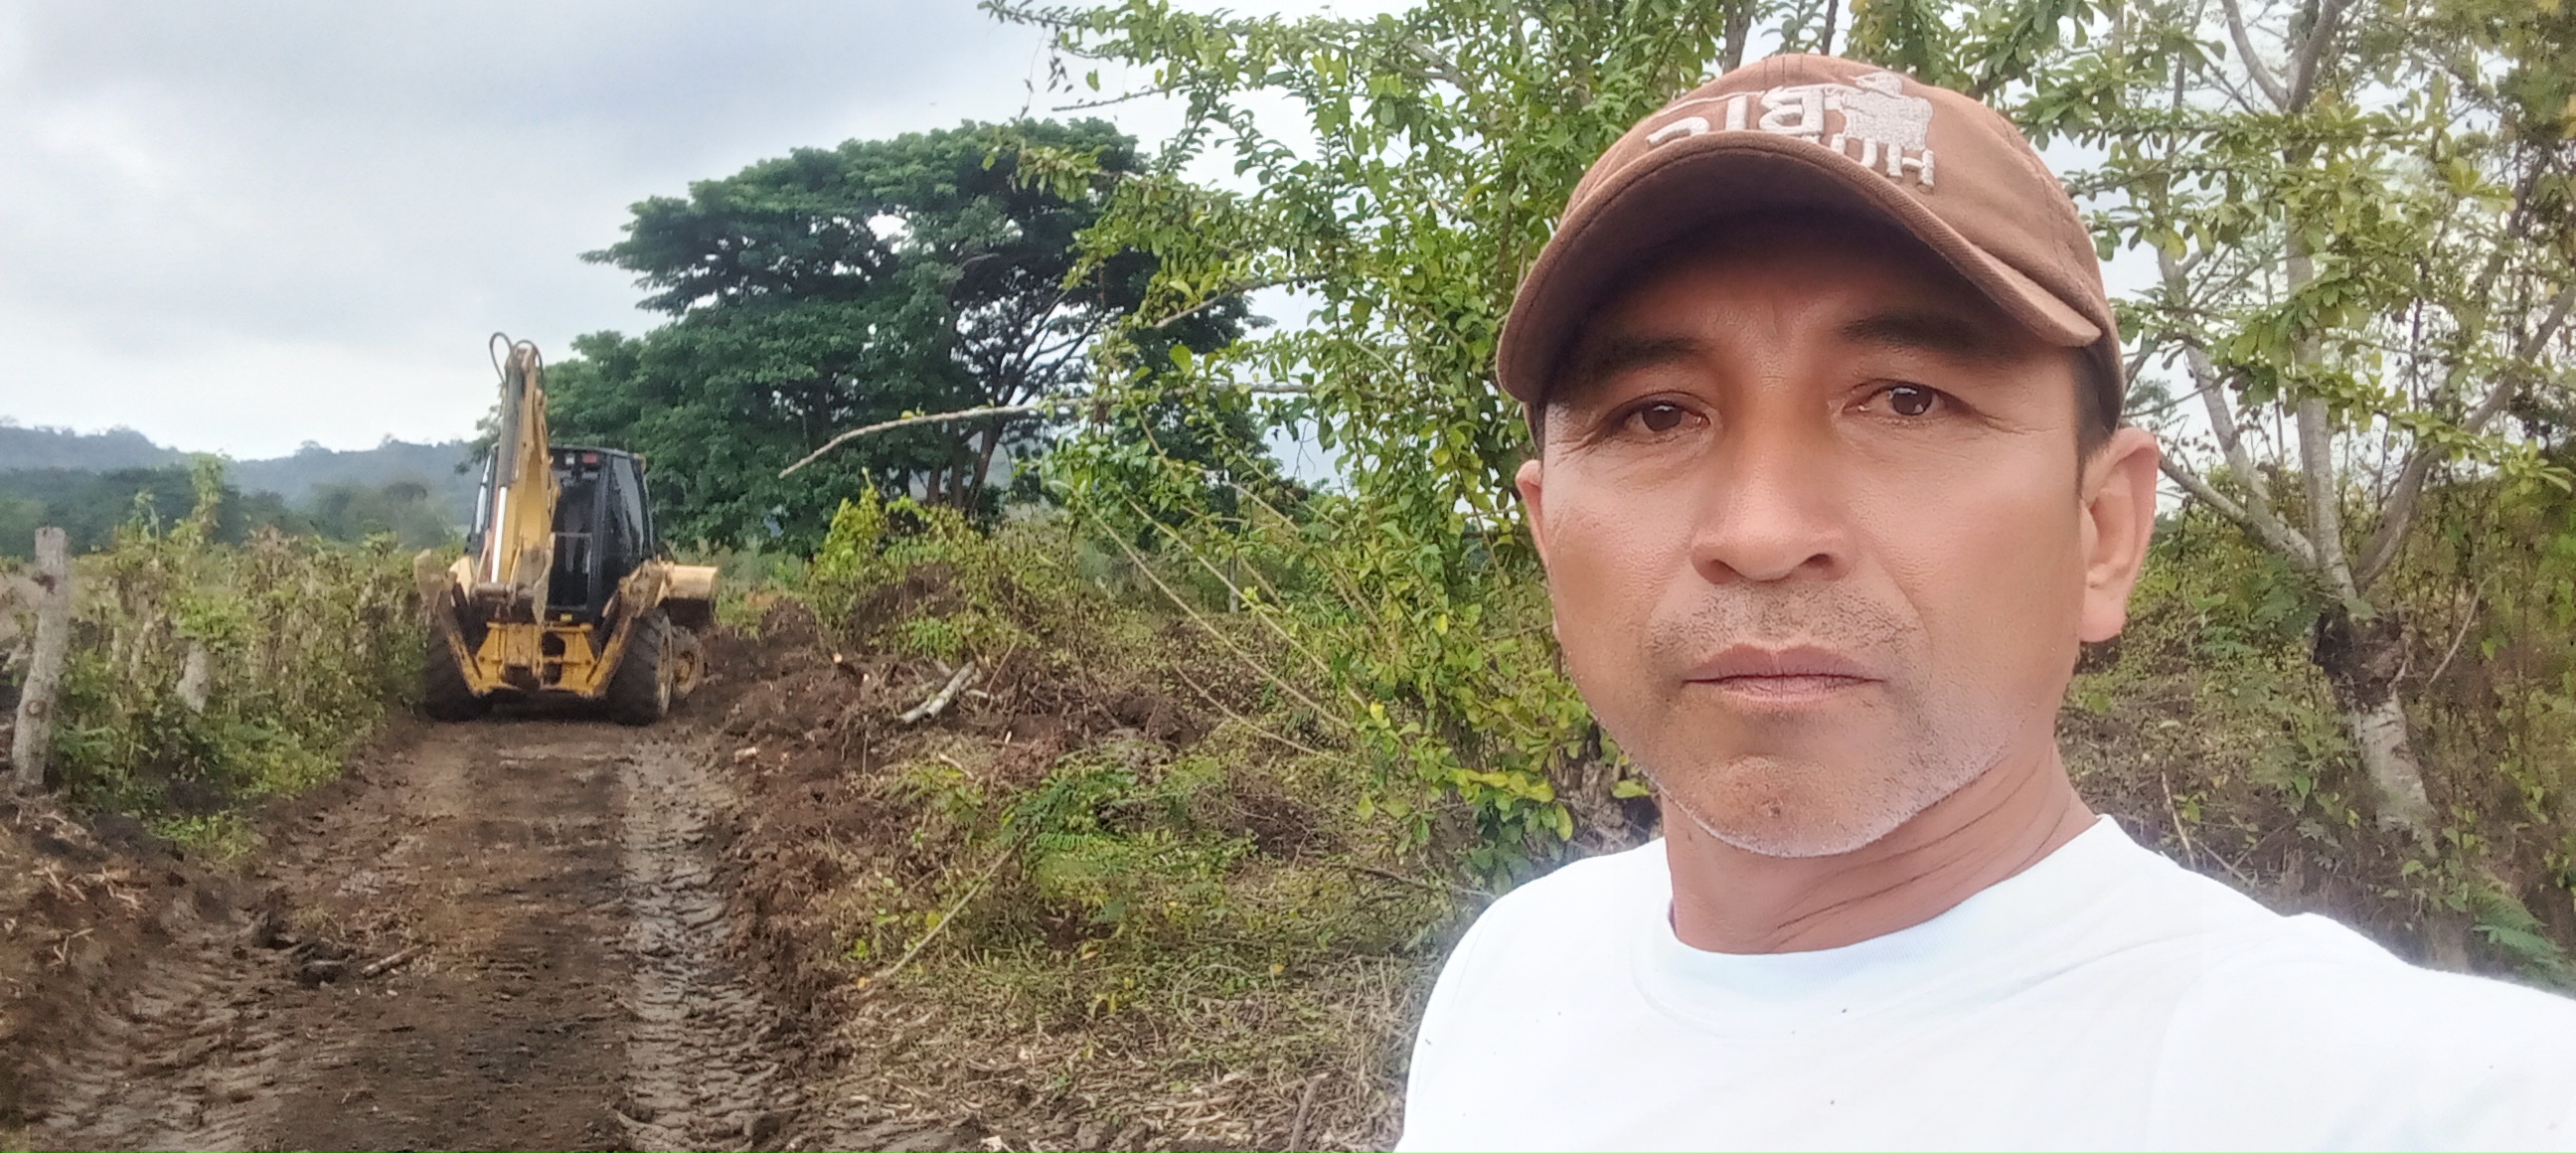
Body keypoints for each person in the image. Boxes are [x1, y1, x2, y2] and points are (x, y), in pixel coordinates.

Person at [1394, 54, 2576, 1153]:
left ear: (2102, 529)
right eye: (1656, 414)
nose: (1761, 531)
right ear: (1549, 537)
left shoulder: (2378, 1088)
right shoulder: (1515, 971)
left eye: (1908, 400)